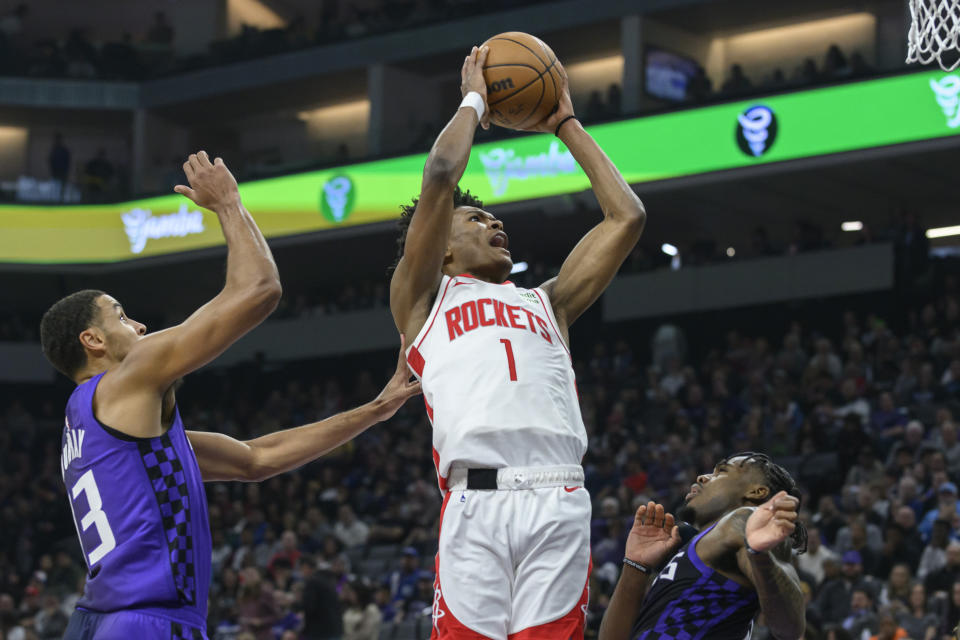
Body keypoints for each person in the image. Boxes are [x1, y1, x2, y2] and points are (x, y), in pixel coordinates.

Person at [44, 152, 421, 640]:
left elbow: (256, 459)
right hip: (148, 620)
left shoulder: (96, 432)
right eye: (120, 316)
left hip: (96, 621)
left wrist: (376, 409)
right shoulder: (127, 378)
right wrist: (228, 204)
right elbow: (259, 289)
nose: (138, 326)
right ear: (92, 342)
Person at [388, 45, 645, 640]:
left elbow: (626, 218)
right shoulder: (421, 299)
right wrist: (475, 101)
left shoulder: (547, 301)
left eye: (495, 219)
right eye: (475, 221)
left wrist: (566, 125)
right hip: (474, 501)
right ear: (442, 249)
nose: (494, 223)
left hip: (557, 494)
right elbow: (439, 175)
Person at [598, 452, 806, 640]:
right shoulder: (697, 550)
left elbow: (790, 629)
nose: (702, 477)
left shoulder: (744, 520)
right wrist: (635, 565)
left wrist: (760, 554)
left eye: (722, 471)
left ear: (756, 491)